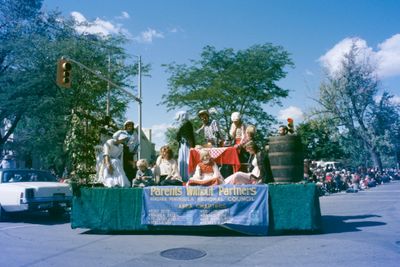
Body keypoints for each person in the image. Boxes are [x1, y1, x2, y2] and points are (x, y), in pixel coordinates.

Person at [176, 111, 195, 182]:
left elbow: (190, 136)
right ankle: (182, 177)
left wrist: (191, 146)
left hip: (187, 145)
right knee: (182, 160)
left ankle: (188, 176)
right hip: (182, 145)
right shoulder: (181, 124)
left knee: (187, 159)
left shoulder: (188, 124)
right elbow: (178, 137)